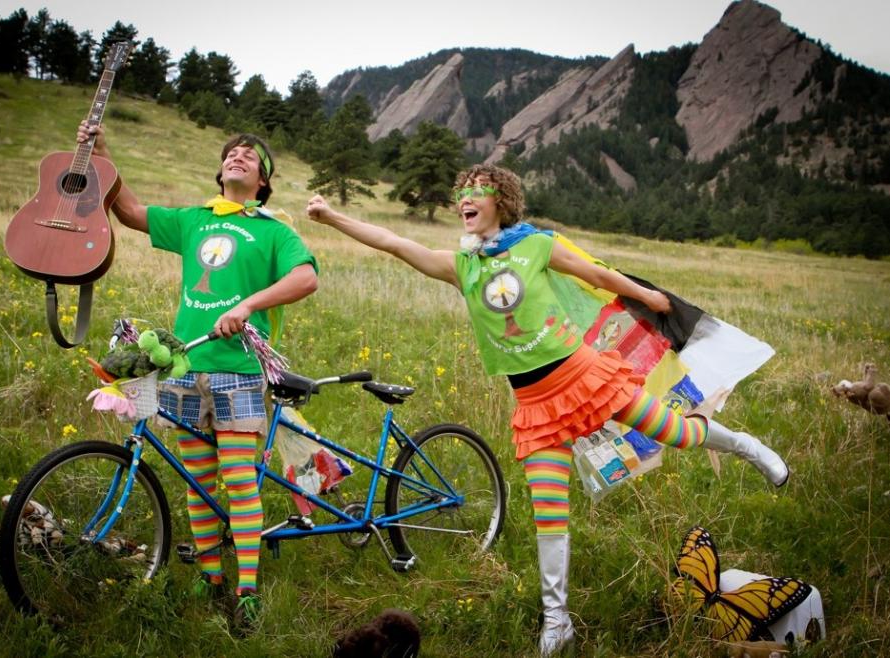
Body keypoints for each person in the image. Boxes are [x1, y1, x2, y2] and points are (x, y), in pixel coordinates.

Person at [305, 164, 787, 656]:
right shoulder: (462, 267)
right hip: (535, 405)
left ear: (503, 202)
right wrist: (331, 217)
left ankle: (747, 446)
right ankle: (557, 621)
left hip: (586, 377)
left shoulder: (536, 245)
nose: (464, 202)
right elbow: (391, 241)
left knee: (678, 433)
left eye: (477, 194)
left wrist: (648, 297)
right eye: (461, 195)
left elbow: (596, 274)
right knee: (549, 514)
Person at [78, 120, 318, 630]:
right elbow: (130, 211)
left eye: (250, 156)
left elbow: (306, 277)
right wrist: (101, 152)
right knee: (198, 482)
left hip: (237, 371)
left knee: (238, 481)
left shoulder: (273, 230)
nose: (238, 156)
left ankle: (247, 591)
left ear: (263, 180)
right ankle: (211, 581)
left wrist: (250, 304)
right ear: (220, 168)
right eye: (231, 152)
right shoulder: (193, 219)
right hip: (185, 368)